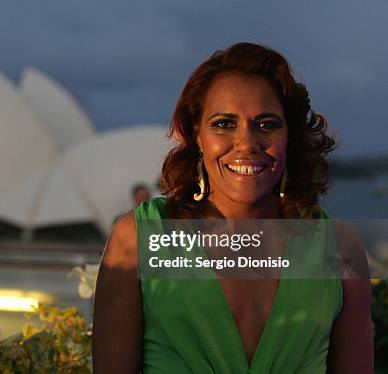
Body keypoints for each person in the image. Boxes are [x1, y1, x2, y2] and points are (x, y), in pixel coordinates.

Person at [93, 43, 373, 373]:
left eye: (267, 124)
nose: (247, 143)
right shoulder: (139, 238)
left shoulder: (340, 249)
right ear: (196, 133)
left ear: (290, 136)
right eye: (224, 124)